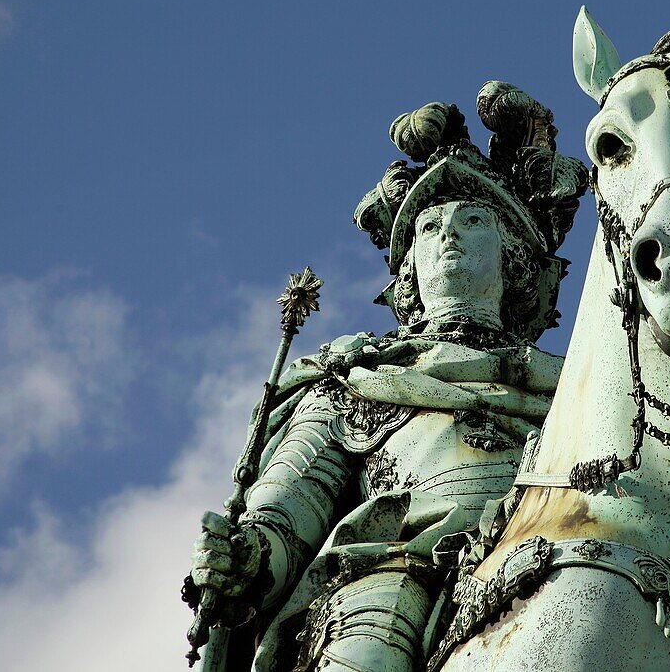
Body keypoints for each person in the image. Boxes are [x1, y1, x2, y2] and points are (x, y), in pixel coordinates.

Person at [185, 83, 587, 672]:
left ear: (515, 257)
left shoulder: (579, 390)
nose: (447, 234)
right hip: (391, 578)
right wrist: (246, 556)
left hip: (556, 554)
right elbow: (291, 508)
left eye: (473, 220)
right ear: (409, 269)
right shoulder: (352, 380)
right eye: (428, 228)